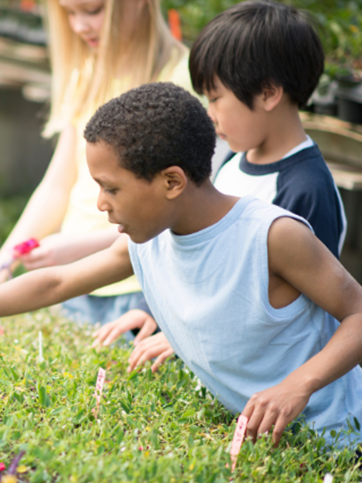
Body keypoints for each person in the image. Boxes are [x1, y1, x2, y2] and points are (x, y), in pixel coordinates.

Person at [0, 82, 362, 470]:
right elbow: (57, 282)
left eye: (111, 188)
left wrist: (297, 386)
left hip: (349, 442)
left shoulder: (270, 235)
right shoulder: (147, 238)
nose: (99, 203)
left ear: (171, 181)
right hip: (267, 438)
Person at [94, 0, 348, 365]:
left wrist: (185, 340)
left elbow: (295, 312)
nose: (210, 114)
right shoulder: (232, 163)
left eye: (216, 98)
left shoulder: (305, 189)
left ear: (268, 93)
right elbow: (198, 255)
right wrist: (152, 310)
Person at [0, 0, 194, 333]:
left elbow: (179, 210)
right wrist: (0, 265)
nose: (79, 27)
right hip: (74, 284)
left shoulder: (180, 80)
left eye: (93, 11)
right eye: (70, 13)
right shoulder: (88, 71)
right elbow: (59, 184)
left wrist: (77, 246)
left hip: (136, 290)